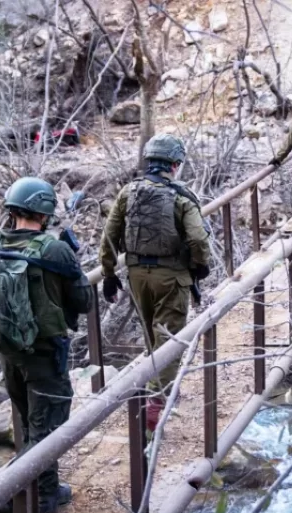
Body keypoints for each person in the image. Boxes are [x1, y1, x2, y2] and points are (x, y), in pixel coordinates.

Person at [0, 177, 93, 513]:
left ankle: (47, 494)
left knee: (33, 427)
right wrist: (74, 261)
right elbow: (83, 301)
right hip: (45, 357)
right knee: (45, 437)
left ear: (13, 210)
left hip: (9, 354)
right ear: (45, 211)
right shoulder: (54, 250)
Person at [99, 134, 211, 437]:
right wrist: (201, 266)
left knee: (152, 333)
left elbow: (109, 235)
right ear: (175, 164)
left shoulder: (128, 192)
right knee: (170, 340)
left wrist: (109, 274)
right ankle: (156, 406)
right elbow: (198, 239)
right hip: (171, 276)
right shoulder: (182, 197)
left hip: (136, 275)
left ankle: (156, 390)